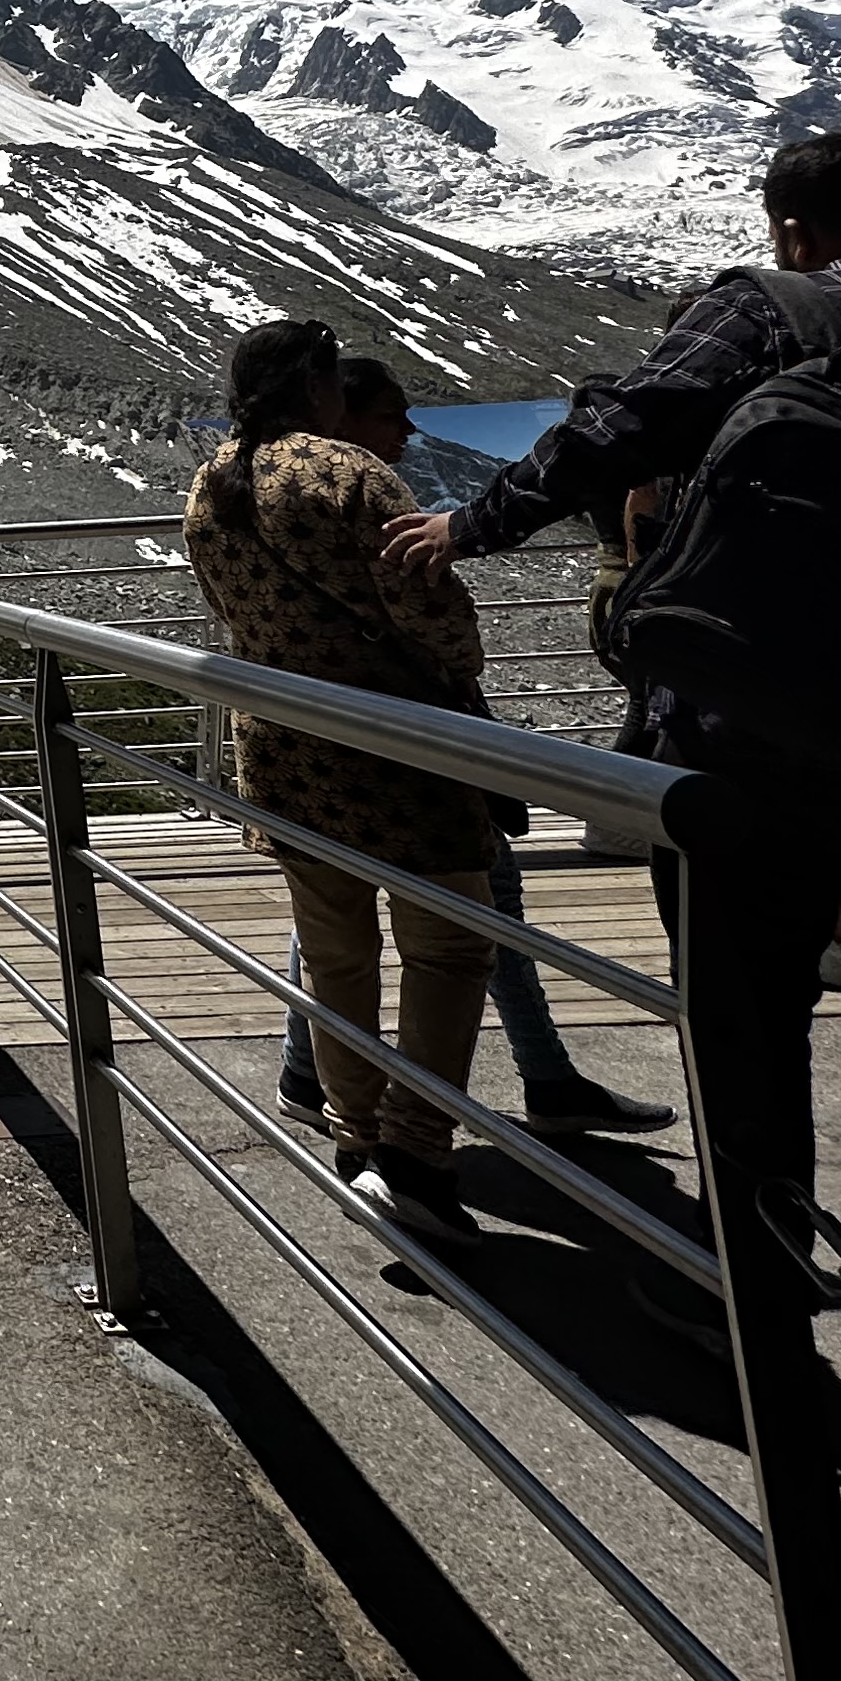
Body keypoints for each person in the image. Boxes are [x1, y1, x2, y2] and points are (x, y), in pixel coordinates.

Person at [384, 131, 841, 1434]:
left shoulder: (768, 312)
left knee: (747, 1039)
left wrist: (468, 526)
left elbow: (615, 428)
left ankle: (745, 1299)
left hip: (751, 756)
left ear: (792, 230)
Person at [265, 356, 676, 1141]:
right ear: (344, 419)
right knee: (478, 902)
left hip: (336, 741)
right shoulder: (362, 496)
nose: (407, 431)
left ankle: (311, 1073)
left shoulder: (280, 496)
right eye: (390, 416)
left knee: (338, 910)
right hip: (415, 731)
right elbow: (440, 625)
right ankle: (523, 1087)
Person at [181, 318, 502, 1251]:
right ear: (319, 389)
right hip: (398, 746)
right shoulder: (348, 473)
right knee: (449, 947)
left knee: (336, 955)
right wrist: (458, 671)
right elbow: (427, 601)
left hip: (287, 750)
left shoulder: (212, 480)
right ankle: (416, 1150)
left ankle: (354, 1135)